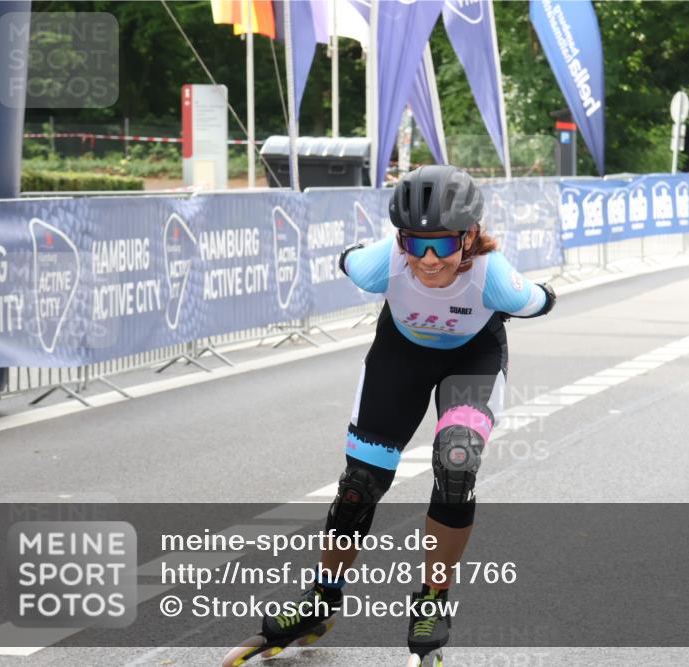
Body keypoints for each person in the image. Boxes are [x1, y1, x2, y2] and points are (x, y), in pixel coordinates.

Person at [223, 166, 556, 667]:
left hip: (472, 359)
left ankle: (432, 603)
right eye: (414, 243)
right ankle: (321, 600)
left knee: (457, 462)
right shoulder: (382, 265)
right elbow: (348, 258)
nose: (427, 259)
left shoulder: (495, 278)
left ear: (470, 237)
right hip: (400, 356)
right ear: (399, 239)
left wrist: (540, 293)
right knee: (359, 486)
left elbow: (542, 300)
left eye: (442, 244)